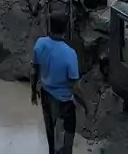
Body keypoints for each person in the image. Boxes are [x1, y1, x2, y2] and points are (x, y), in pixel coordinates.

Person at [31, 12, 88, 154]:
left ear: (50, 26)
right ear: (65, 29)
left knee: (51, 136)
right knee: (65, 144)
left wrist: (33, 92)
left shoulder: (40, 44)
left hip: (45, 97)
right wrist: (85, 105)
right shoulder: (70, 54)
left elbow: (34, 71)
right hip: (64, 104)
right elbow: (74, 86)